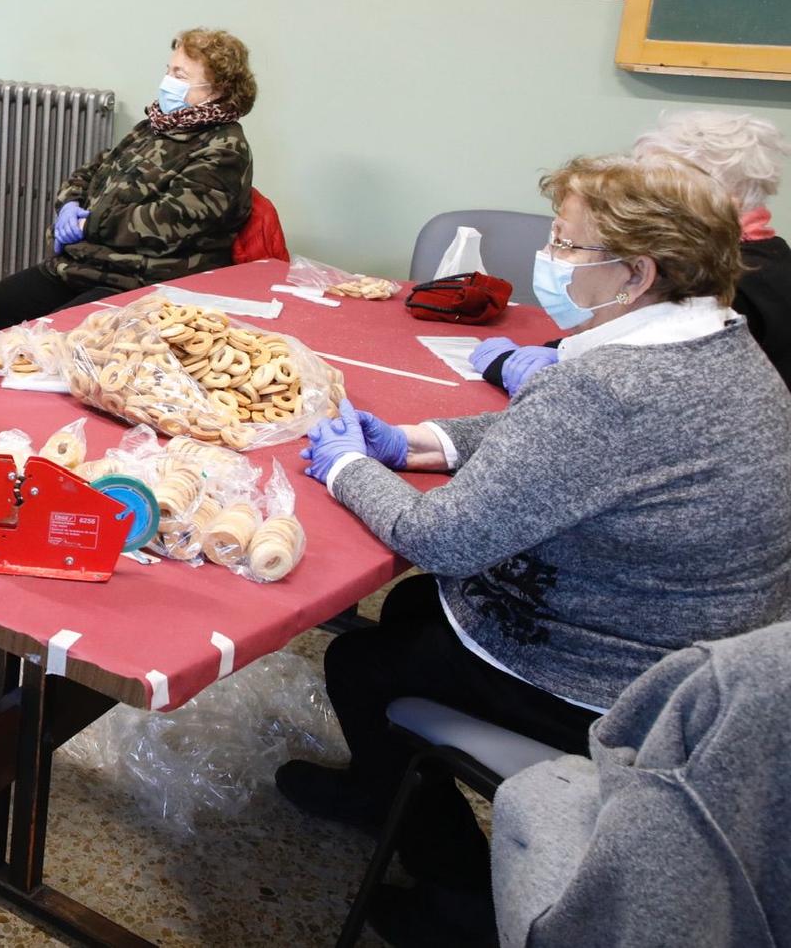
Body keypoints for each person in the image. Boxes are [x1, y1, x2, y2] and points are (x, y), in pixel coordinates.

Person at [285, 155, 791, 946]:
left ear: (635, 273)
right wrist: (421, 442)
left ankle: (456, 893)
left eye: (566, 243)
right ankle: (381, 782)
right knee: (415, 606)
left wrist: (348, 466)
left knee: (361, 664)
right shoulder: (722, 344)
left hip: (610, 681)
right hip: (693, 655)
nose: (547, 260)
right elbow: (548, 438)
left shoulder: (613, 387)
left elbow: (444, 537)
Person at [478, 111, 791, 395]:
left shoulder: (715, 286)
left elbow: (620, 374)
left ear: (701, 196)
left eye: (650, 186)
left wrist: (513, 365)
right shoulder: (773, 256)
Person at [0, 28, 256, 328]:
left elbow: (166, 222)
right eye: (168, 71)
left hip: (148, 278)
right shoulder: (153, 127)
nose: (167, 82)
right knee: (7, 298)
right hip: (96, 261)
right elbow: (93, 170)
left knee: (66, 330)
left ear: (218, 89)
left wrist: (89, 224)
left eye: (180, 75)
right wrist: (70, 204)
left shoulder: (225, 149)